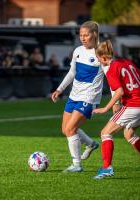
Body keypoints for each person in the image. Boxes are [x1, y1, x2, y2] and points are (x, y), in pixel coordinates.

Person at [92, 40, 140, 180]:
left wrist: (106, 108)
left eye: (99, 59)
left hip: (133, 106)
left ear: (104, 57)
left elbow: (119, 92)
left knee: (105, 133)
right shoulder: (127, 62)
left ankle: (106, 168)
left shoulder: (111, 69)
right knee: (129, 134)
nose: (99, 62)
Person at [51, 21, 103, 172]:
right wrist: (59, 89)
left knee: (70, 129)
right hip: (74, 96)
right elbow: (72, 72)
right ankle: (91, 144)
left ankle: (76, 165)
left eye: (86, 35)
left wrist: (116, 99)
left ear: (94, 34)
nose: (83, 38)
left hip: (89, 97)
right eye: (81, 35)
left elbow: (110, 76)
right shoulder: (78, 50)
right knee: (65, 129)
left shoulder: (101, 52)